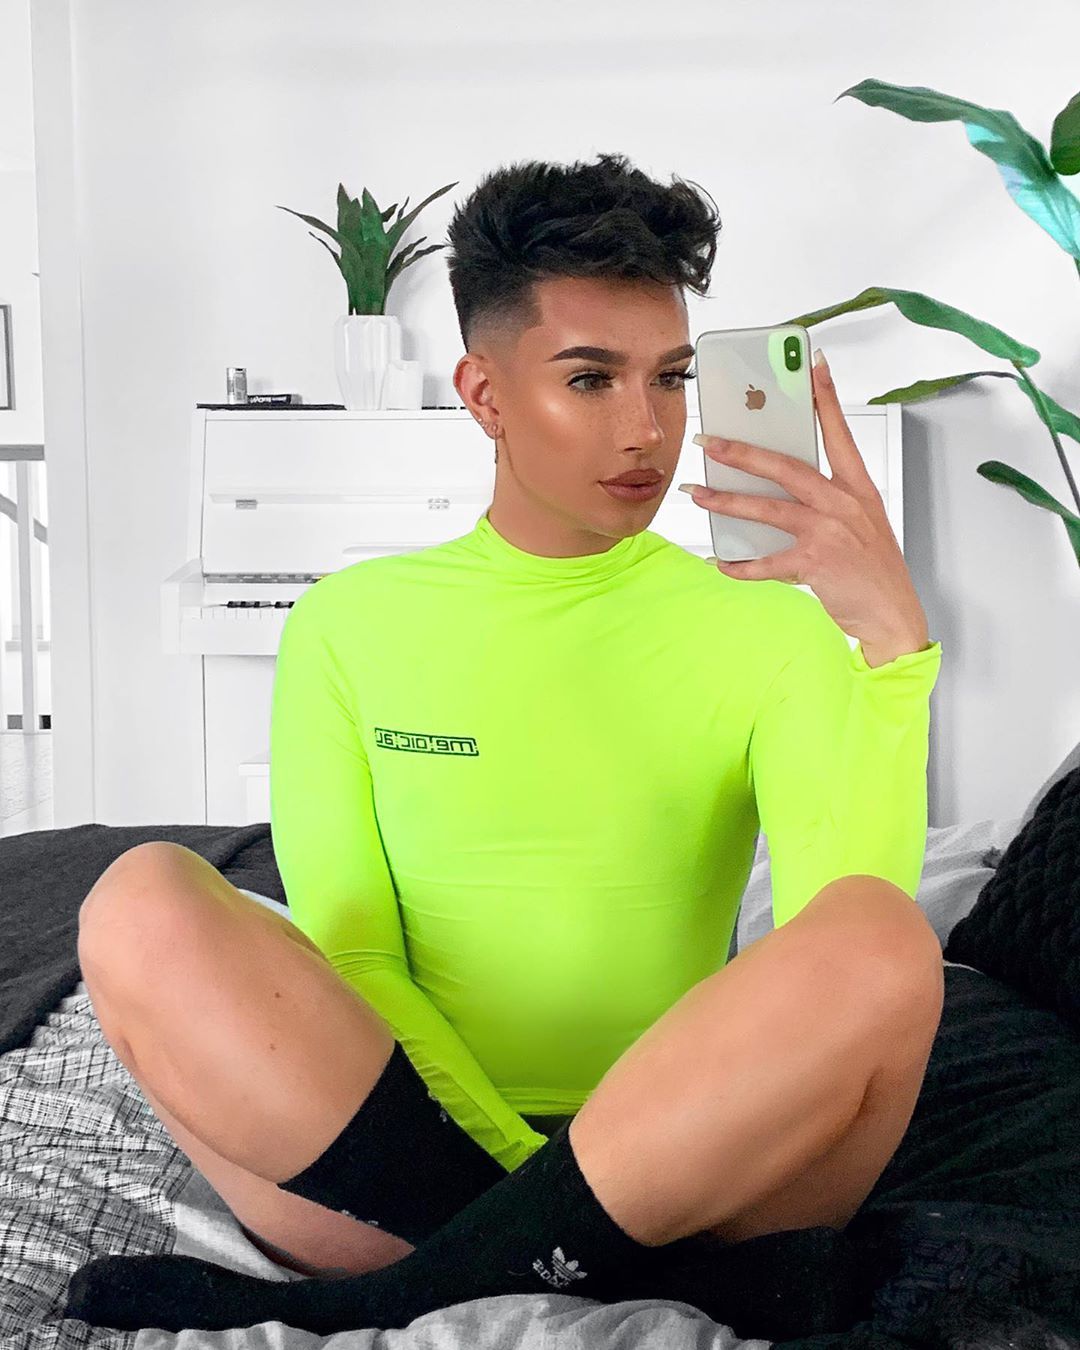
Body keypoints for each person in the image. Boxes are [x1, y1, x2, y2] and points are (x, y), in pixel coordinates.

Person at [68, 151, 945, 1335]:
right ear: (483, 394)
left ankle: (415, 1293)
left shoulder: (766, 626)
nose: (647, 428)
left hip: (704, 1159)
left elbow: (839, 921)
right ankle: (549, 1259)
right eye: (591, 379)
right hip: (395, 1151)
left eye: (672, 377)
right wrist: (531, 1192)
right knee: (139, 901)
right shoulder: (350, 625)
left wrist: (891, 646)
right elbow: (357, 955)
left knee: (884, 939)